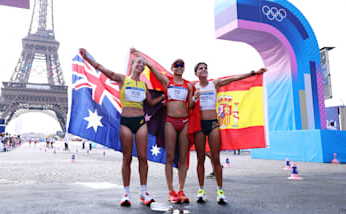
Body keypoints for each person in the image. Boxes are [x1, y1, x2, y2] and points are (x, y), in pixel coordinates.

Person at [80, 48, 164, 207]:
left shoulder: (144, 85)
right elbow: (102, 69)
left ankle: (144, 192)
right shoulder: (123, 79)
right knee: (126, 158)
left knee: (143, 157)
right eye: (138, 62)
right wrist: (88, 58)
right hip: (126, 120)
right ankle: (126, 193)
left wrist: (163, 97)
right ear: (132, 64)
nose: (141, 64)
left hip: (140, 122)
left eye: (143, 64)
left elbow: (151, 103)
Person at [193, 62, 266, 204]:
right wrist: (195, 97)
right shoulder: (193, 86)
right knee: (200, 159)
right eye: (201, 68)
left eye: (206, 67)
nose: (204, 69)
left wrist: (253, 73)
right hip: (199, 125)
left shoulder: (215, 83)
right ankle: (201, 190)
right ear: (196, 73)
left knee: (216, 158)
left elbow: (234, 79)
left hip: (213, 124)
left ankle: (220, 191)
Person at [134, 49, 195, 204]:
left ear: (184, 68)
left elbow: (192, 106)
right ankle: (171, 191)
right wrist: (139, 55)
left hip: (185, 122)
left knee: (182, 158)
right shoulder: (167, 82)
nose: (179, 67)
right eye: (176, 65)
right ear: (172, 68)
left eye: (182, 65)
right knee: (169, 157)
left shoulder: (189, 86)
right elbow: (153, 71)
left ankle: (181, 190)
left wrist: (195, 99)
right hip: (170, 122)